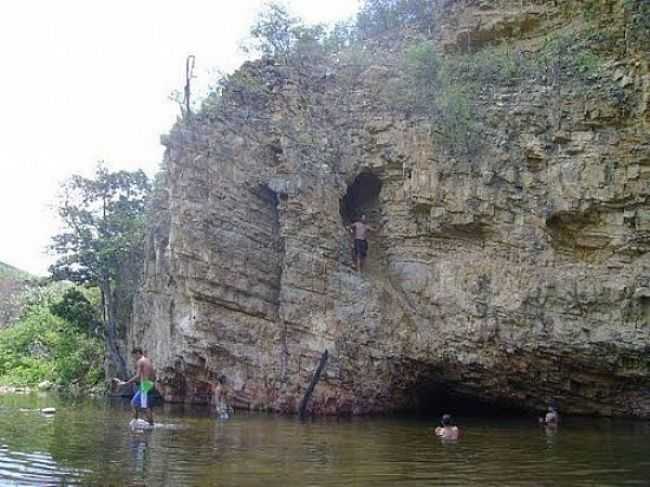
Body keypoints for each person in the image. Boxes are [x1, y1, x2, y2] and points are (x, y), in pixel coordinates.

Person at [114, 347, 156, 425]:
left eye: (134, 356)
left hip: (145, 385)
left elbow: (138, 376)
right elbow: (153, 375)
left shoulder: (140, 361)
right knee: (137, 403)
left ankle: (149, 424)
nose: (134, 358)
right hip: (150, 384)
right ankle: (138, 421)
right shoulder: (147, 360)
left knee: (142, 406)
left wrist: (125, 383)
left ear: (137, 353)